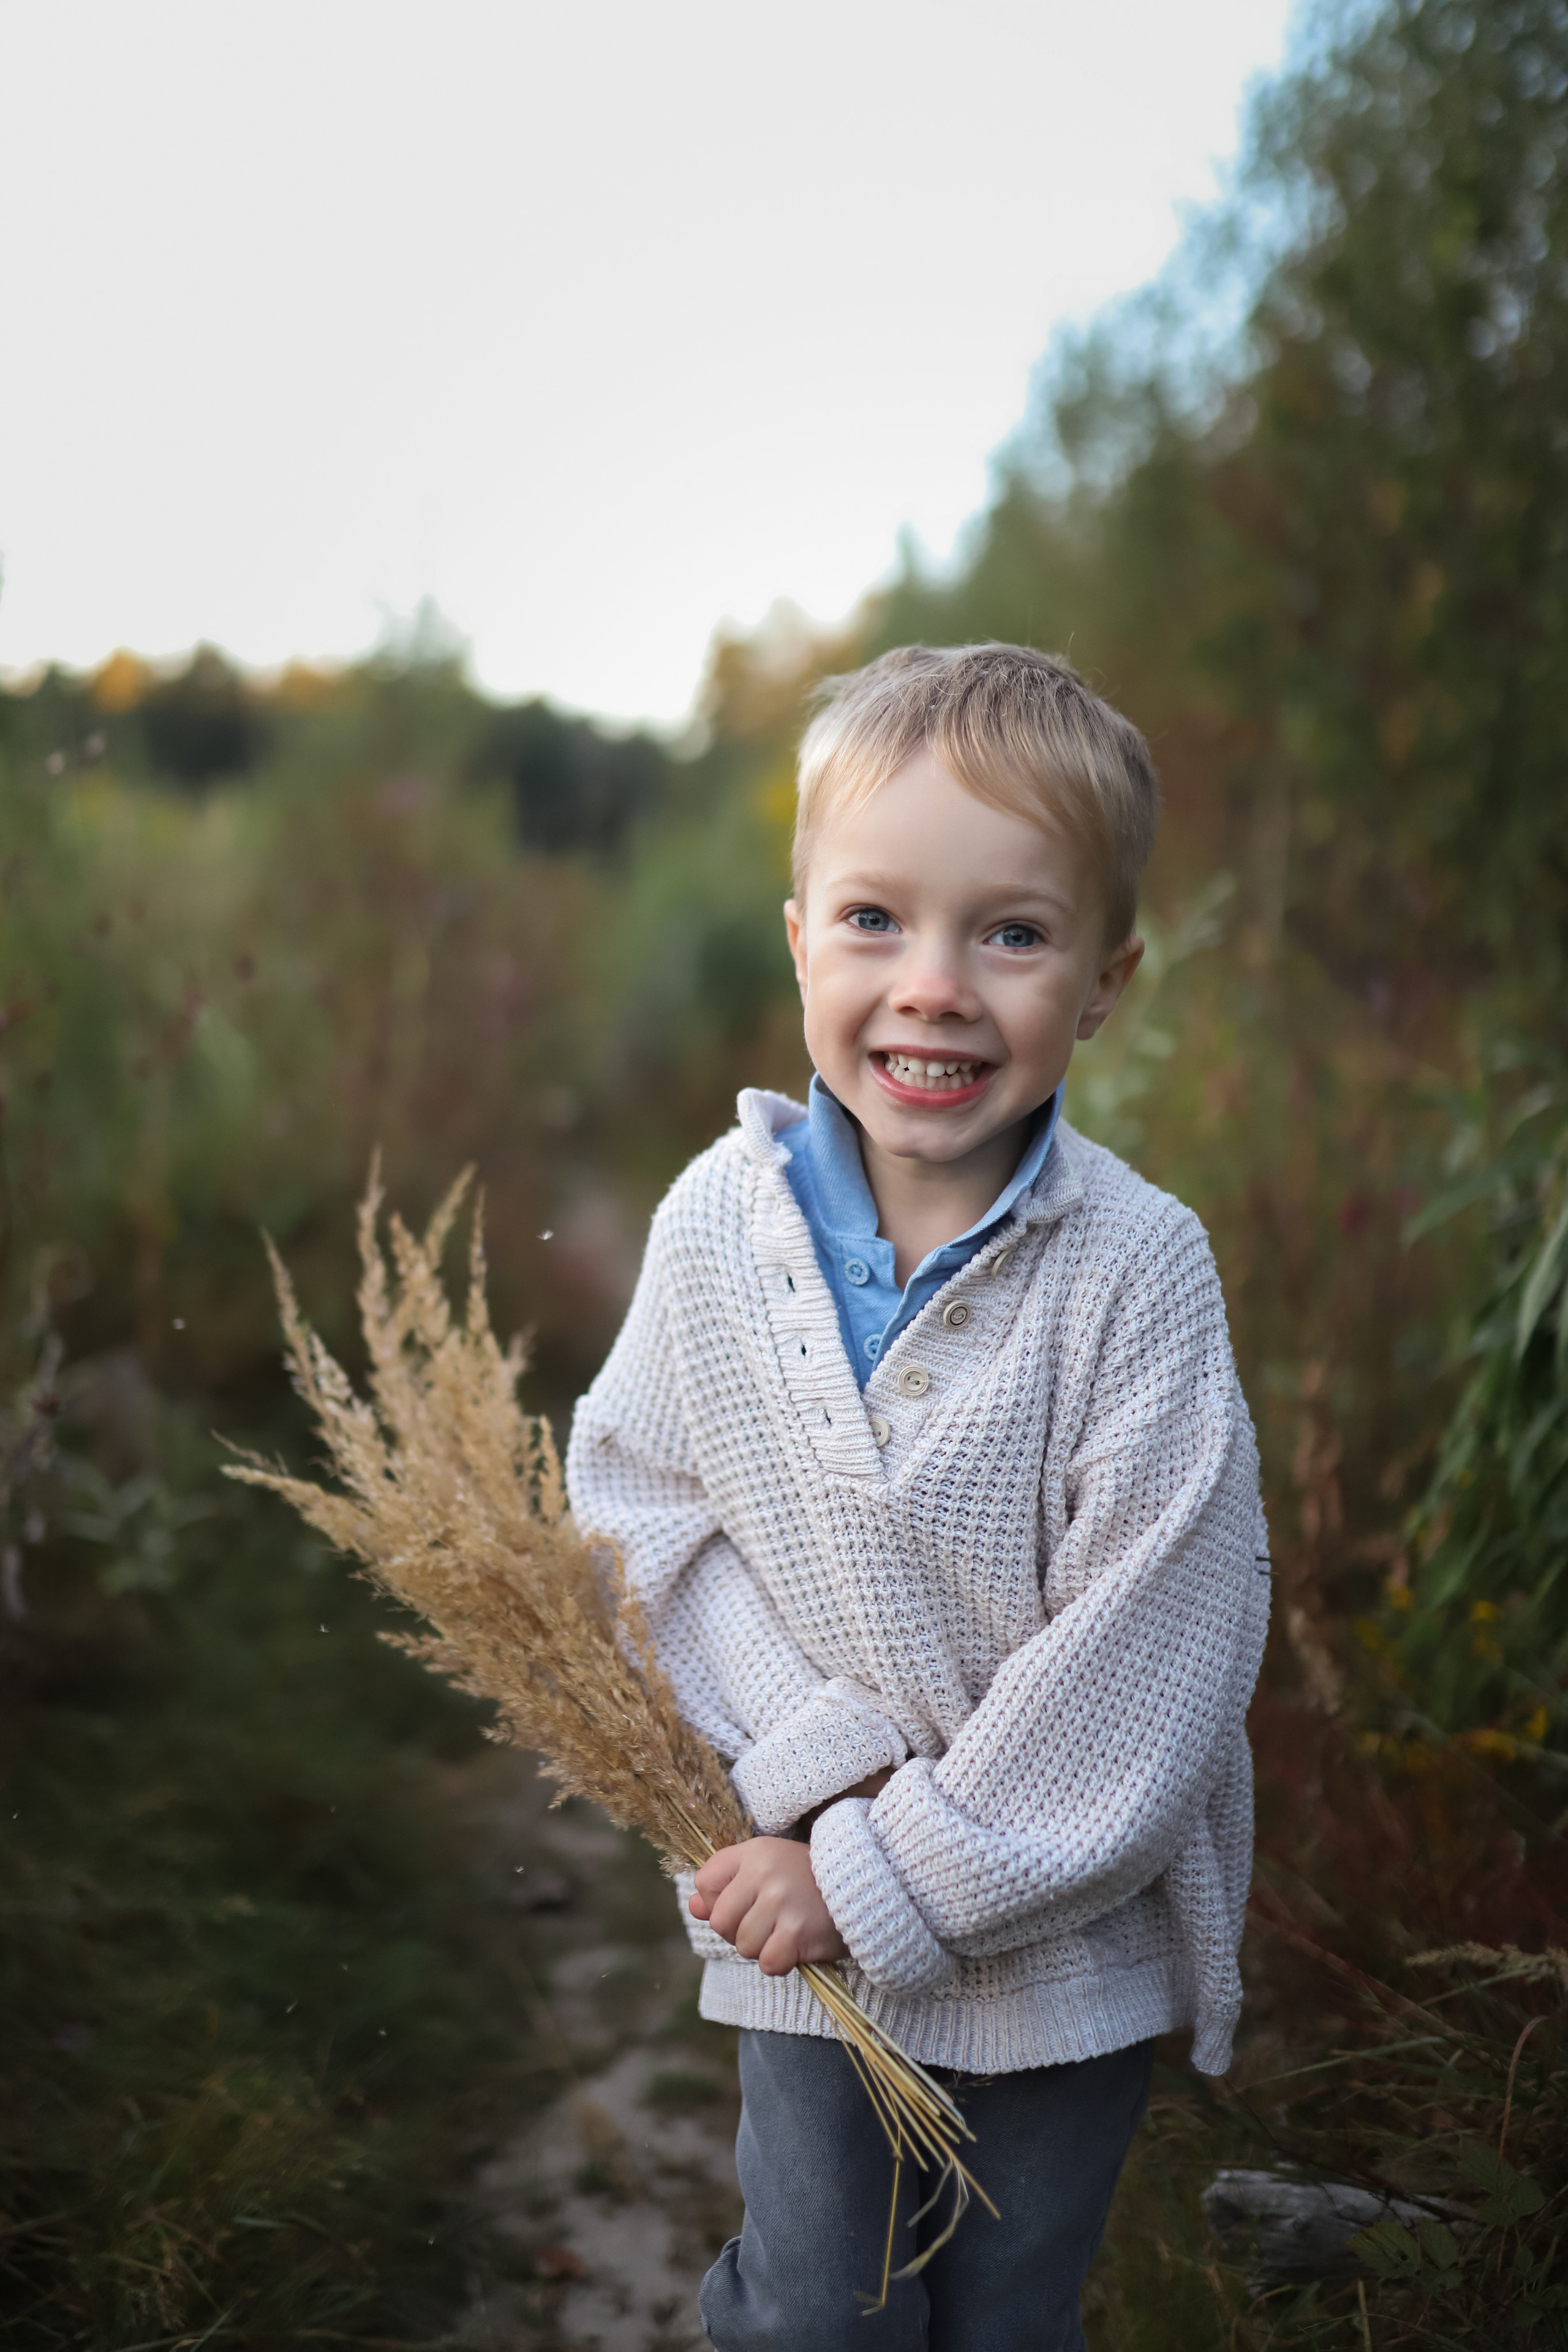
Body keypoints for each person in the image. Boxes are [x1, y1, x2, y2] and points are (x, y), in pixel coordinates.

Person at [565, 643, 1270, 2350]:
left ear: (1104, 982)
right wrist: (816, 1795)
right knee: (822, 2308)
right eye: (875, 920)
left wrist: (890, 1871)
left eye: (1012, 935)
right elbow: (639, 1517)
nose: (934, 987)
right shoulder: (714, 1232)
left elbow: (1155, 1649)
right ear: (800, 938)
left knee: (1005, 2316)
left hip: (1062, 1947)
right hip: (798, 1920)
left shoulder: (1138, 1271)